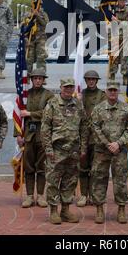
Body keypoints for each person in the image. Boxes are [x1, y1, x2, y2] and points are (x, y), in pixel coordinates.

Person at [41, 78, 88, 224]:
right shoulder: (52, 104)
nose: (68, 90)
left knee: (70, 181)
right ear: (61, 87)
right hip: (56, 150)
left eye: (70, 87)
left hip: (73, 150)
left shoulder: (78, 104)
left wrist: (83, 147)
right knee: (53, 180)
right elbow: (45, 128)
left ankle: (65, 210)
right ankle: (54, 211)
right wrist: (48, 148)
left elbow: (84, 126)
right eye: (66, 87)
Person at [91, 80, 128, 224]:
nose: (112, 92)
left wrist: (118, 143)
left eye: (115, 90)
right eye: (110, 90)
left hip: (119, 151)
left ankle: (121, 209)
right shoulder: (98, 109)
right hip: (101, 150)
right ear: (106, 91)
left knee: (120, 180)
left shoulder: (126, 109)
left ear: (118, 91)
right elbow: (95, 128)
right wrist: (106, 143)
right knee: (99, 179)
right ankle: (99, 209)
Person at [14, 68, 54, 208]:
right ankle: (30, 196)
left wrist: (30, 113)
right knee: (29, 168)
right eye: (35, 78)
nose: (37, 80)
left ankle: (41, 195)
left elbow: (49, 114)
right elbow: (18, 114)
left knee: (42, 167)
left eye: (40, 78)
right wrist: (18, 134)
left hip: (43, 135)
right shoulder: (25, 95)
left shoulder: (49, 95)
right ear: (31, 80)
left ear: (44, 80)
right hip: (28, 136)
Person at [76, 70, 106, 207]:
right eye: (88, 79)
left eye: (93, 79)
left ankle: (94, 194)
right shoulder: (80, 95)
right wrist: (77, 101)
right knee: (83, 167)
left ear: (97, 80)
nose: (91, 81)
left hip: (97, 137)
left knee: (96, 168)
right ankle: (83, 194)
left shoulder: (103, 96)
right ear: (86, 80)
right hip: (83, 136)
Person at [109, 0, 128, 85]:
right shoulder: (113, 10)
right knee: (114, 57)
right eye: (120, 0)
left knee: (125, 58)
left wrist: (118, 21)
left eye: (123, 0)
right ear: (118, 1)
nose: (121, 2)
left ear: (125, 1)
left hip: (125, 37)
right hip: (115, 37)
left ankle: (125, 76)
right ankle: (112, 75)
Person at [22, 0, 49, 76]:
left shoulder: (43, 14)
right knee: (29, 58)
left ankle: (41, 75)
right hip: (29, 39)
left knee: (41, 58)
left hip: (41, 39)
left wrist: (37, 16)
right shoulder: (27, 14)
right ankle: (27, 75)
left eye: (39, 4)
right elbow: (23, 27)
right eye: (36, 4)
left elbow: (45, 24)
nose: (38, 6)